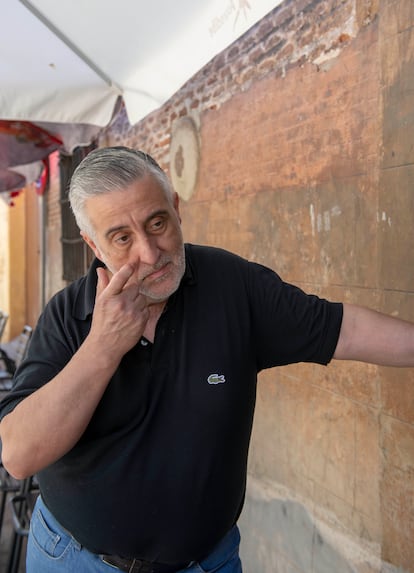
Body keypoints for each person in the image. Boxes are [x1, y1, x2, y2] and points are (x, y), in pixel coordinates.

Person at [0, 146, 413, 573]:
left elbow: (345, 329)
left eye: (157, 223)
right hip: (75, 559)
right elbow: (18, 454)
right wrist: (103, 346)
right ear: (93, 244)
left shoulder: (233, 285)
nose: (149, 252)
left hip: (206, 563)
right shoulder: (68, 314)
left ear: (176, 208)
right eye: (122, 237)